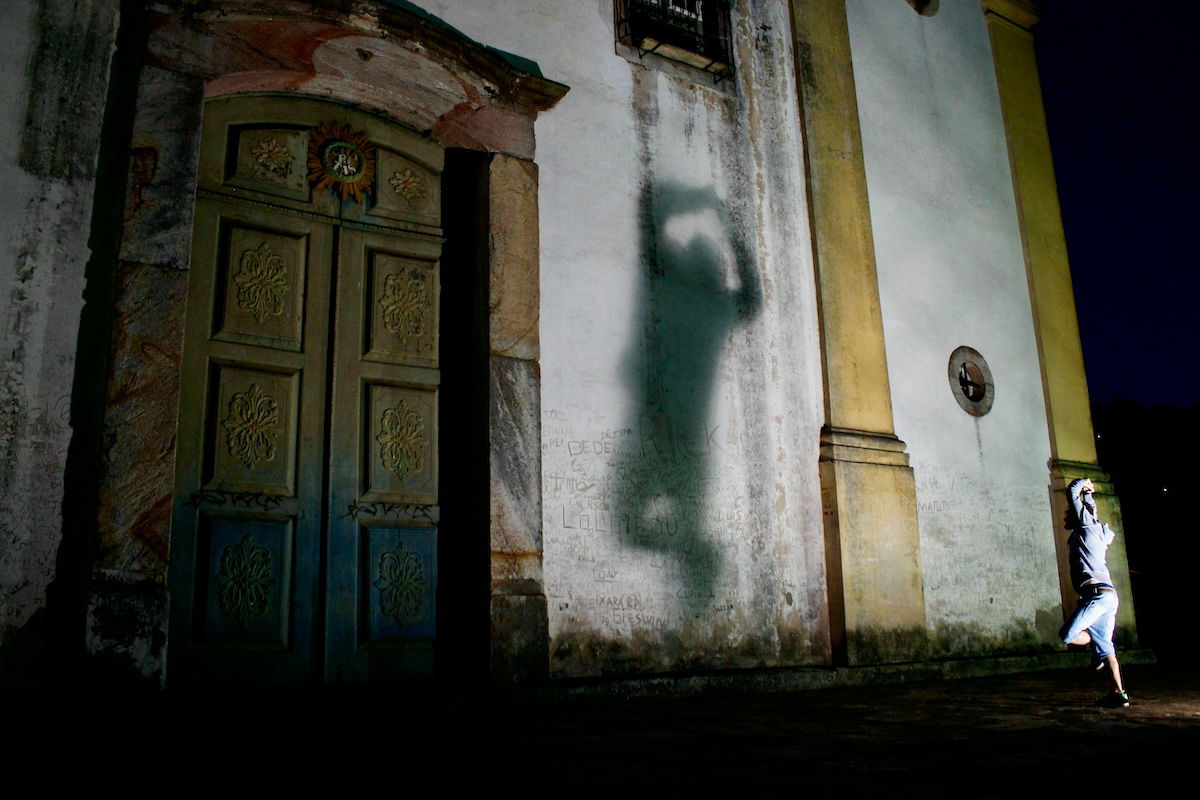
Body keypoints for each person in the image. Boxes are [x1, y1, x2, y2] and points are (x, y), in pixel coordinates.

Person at [1060, 477, 1129, 708]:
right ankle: (1119, 693)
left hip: (1096, 595)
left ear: (1078, 516)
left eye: (1068, 513)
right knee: (1107, 648)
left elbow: (1072, 491)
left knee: (1067, 635)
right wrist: (1089, 495)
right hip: (1108, 596)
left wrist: (1084, 483)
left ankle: (1092, 642)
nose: (1065, 516)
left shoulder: (1086, 526)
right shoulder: (1094, 529)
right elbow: (1090, 509)